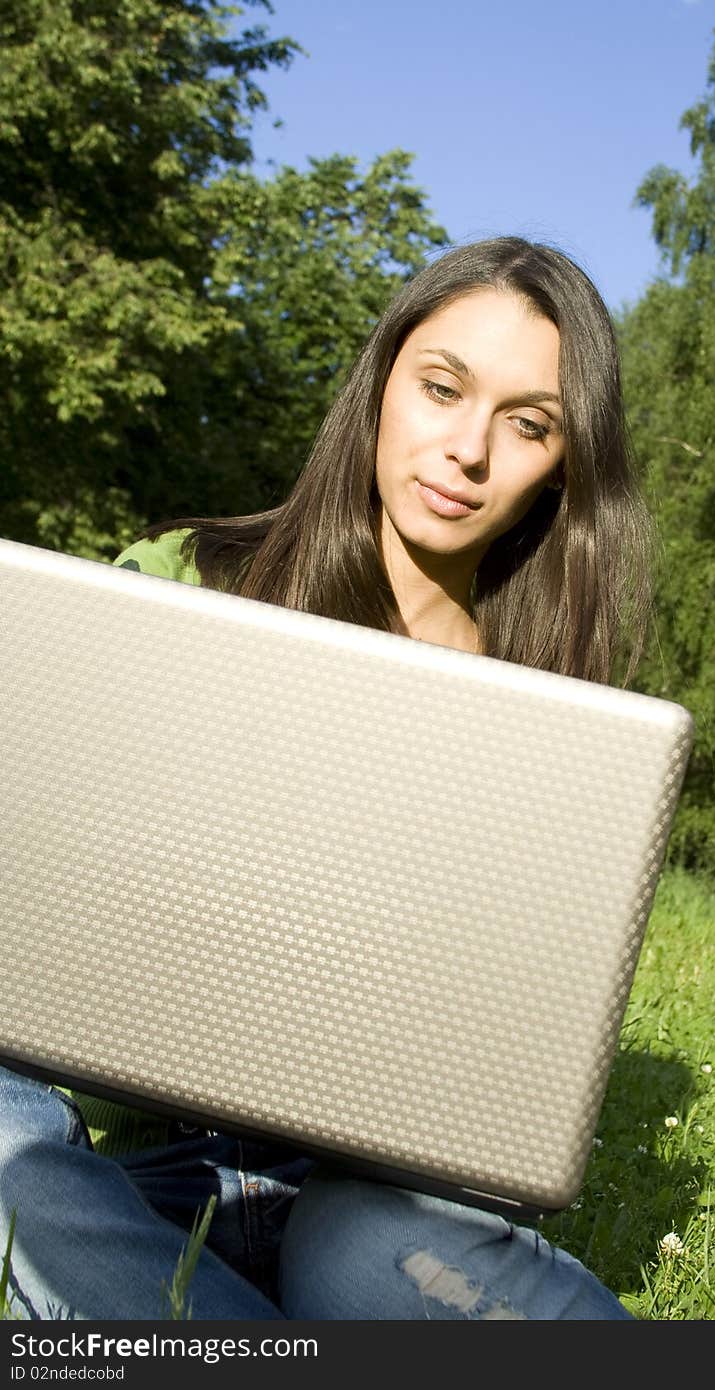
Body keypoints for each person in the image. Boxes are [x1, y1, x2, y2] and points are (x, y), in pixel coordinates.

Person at [0, 236, 655, 1320]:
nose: (468, 451)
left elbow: (513, 1065)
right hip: (145, 1180)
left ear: (564, 467)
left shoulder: (559, 733)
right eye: (442, 389)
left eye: (528, 424)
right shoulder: (177, 583)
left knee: (357, 1243)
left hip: (382, 1207)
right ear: (382, 382)